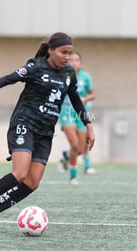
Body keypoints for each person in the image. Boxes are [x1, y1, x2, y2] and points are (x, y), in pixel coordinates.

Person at [0, 32, 95, 233]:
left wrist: (89, 125)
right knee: (20, 173)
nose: (67, 57)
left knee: (32, 182)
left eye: (69, 53)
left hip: (45, 132)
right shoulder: (36, 66)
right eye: (63, 52)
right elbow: (10, 78)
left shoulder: (69, 73)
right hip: (25, 123)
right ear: (51, 51)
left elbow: (76, 99)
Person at [58, 51, 96, 184]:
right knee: (74, 145)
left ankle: (65, 157)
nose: (74, 62)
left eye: (76, 60)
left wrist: (85, 98)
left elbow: (93, 94)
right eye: (71, 60)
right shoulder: (62, 74)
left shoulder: (85, 76)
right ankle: (73, 176)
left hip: (81, 113)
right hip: (66, 111)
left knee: (80, 149)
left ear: (80, 62)